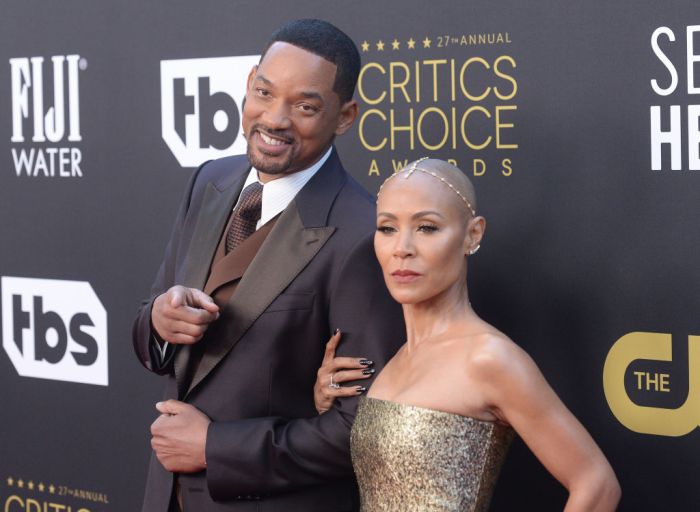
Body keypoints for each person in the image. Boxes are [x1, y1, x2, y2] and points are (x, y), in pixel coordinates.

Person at [132, 19, 404, 512]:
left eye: (304, 106)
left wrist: (216, 448)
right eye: (264, 92)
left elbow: (364, 432)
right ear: (249, 83)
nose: (275, 119)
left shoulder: (363, 234)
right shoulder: (209, 182)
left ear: (345, 117)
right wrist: (158, 320)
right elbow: (147, 330)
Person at [314, 158, 621, 511]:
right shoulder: (395, 357)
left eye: (427, 227)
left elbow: (596, 483)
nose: (402, 248)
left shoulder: (488, 358)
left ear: (472, 234)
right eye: (387, 228)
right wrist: (325, 403)